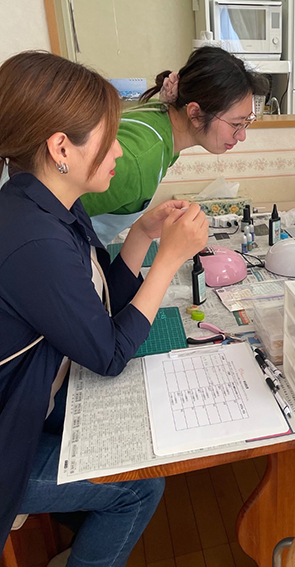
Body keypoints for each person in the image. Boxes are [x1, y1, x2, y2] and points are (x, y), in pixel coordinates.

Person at [0, 51, 209, 565]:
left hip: (38, 399)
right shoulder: (35, 240)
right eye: (108, 136)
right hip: (11, 444)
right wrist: (169, 262)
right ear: (61, 148)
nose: (118, 149)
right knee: (141, 487)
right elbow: (109, 353)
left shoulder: (48, 205)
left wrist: (141, 235)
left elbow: (97, 308)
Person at [79, 46, 268, 244]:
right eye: (236, 124)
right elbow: (59, 216)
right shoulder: (138, 159)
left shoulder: (161, 119)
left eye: (246, 122)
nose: (242, 136)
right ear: (195, 114)